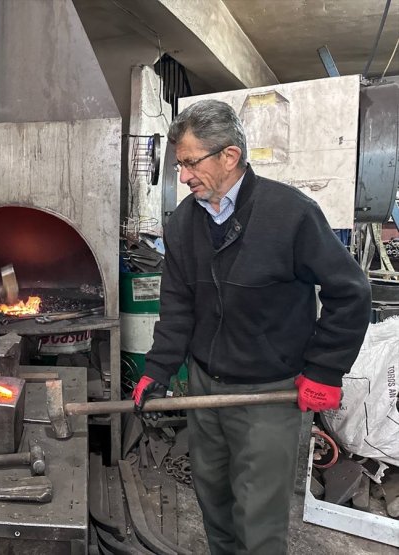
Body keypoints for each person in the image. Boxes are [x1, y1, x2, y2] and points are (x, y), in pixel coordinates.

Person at [132, 99, 371, 555]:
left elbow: (350, 292)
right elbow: (178, 303)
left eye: (189, 163)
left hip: (268, 393)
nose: (182, 176)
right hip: (206, 387)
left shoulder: (290, 214)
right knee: (214, 502)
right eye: (179, 165)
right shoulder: (183, 223)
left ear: (229, 156)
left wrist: (324, 369)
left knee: (258, 519)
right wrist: (158, 367)